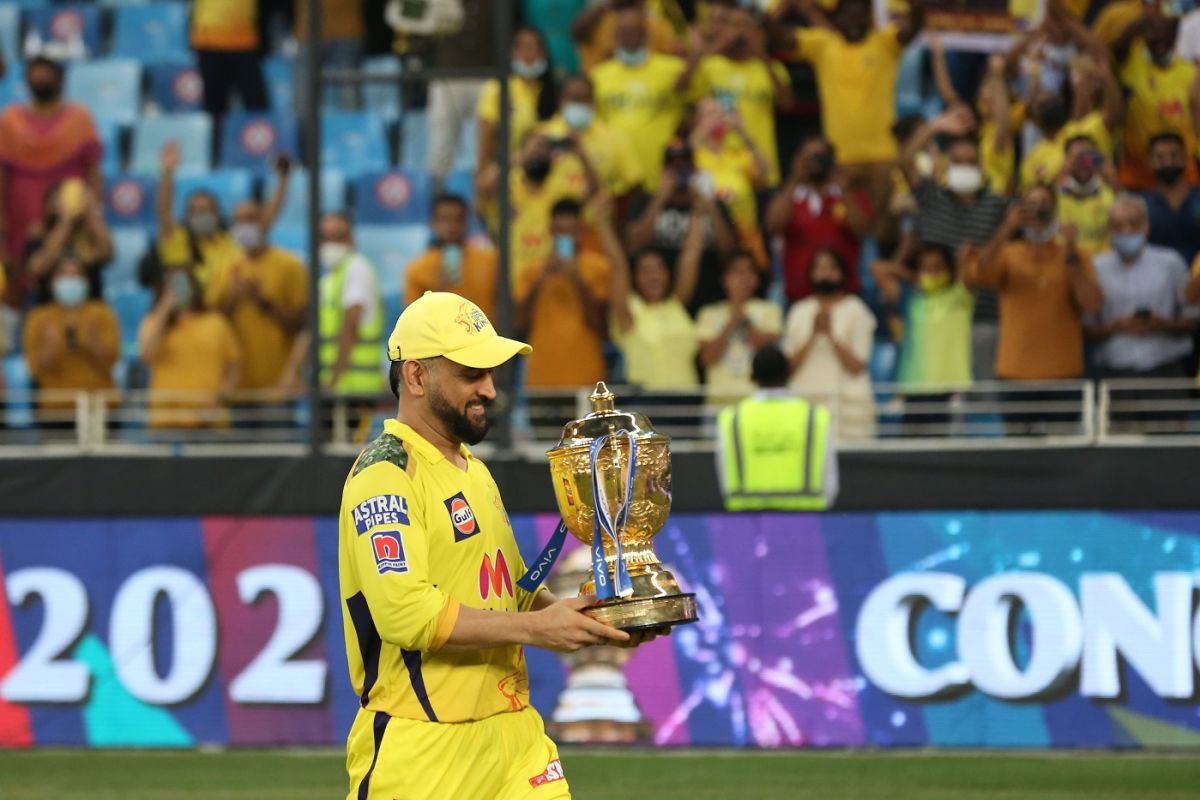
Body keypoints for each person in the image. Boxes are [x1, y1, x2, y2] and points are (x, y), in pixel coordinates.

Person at [339, 290, 659, 798]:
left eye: (491, 373)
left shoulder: (474, 470)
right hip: (424, 750)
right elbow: (407, 615)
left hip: (514, 735)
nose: (489, 389)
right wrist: (537, 628)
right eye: (471, 374)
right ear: (417, 376)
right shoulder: (386, 474)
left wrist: (594, 623)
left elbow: (515, 590)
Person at [897, 107, 1008, 381]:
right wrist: (934, 127)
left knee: (982, 398)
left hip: (986, 317)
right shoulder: (932, 197)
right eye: (958, 162)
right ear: (946, 165)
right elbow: (904, 161)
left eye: (971, 162)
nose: (965, 167)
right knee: (939, 396)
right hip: (936, 319)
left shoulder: (997, 205)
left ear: (982, 166)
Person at [787, 0, 925, 216]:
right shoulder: (823, 44)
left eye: (859, 14)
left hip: (884, 158)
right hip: (840, 160)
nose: (854, 20)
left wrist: (916, 7)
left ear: (868, 17)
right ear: (837, 18)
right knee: (843, 226)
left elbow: (912, 29)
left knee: (884, 229)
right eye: (847, 14)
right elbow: (781, 38)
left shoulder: (884, 41)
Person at [964, 185, 1104, 383]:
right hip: (1014, 370)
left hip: (1064, 371)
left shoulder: (1075, 254)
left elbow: (1092, 305)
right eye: (1030, 207)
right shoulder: (1008, 253)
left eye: (1044, 206)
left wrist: (1071, 251)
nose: (1037, 213)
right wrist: (1007, 228)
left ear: (1055, 212)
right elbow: (979, 273)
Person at [0, 56, 102, 308]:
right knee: (18, 269)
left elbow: (93, 169)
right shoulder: (11, 119)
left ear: (59, 80)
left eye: (46, 76)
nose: (41, 81)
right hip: (20, 211)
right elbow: (2, 172)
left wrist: (94, 207)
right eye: (35, 76)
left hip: (69, 208)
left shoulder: (79, 117)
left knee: (73, 266)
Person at [680, 2, 794, 186]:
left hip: (759, 164)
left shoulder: (771, 69)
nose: (739, 32)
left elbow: (787, 104)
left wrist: (762, 55)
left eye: (745, 25)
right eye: (733, 25)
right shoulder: (710, 66)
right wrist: (712, 48)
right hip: (719, 167)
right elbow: (680, 89)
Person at [716, 344, 839, 511]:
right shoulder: (814, 417)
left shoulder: (732, 419)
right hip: (806, 519)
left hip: (747, 521)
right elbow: (830, 482)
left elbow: (725, 476)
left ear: (752, 377)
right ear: (788, 374)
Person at [1089, 194, 1198, 379]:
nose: (1126, 230)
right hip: (1115, 371)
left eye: (1134, 223)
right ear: (1109, 230)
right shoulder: (1095, 268)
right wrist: (1116, 326)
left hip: (1166, 368)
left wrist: (1163, 324)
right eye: (1118, 225)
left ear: (1146, 226)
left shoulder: (1171, 263)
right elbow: (1085, 328)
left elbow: (1193, 319)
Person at [625, 139, 738, 313]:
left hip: (709, 299)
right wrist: (660, 198)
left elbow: (729, 252)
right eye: (673, 166)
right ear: (664, 170)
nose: (680, 171)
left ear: (695, 168)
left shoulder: (714, 204)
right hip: (661, 301)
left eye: (685, 164)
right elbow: (635, 244)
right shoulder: (646, 202)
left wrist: (709, 206)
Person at [209, 200, 308, 395]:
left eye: (250, 220)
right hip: (235, 385)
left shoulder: (290, 265)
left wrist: (263, 301)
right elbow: (214, 320)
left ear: (264, 222)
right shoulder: (225, 265)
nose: (244, 227)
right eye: (238, 221)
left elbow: (302, 321)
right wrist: (234, 298)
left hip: (277, 384)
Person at [872, 243, 973, 430]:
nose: (932, 273)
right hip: (914, 386)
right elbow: (877, 268)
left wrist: (960, 263)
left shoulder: (959, 297)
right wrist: (913, 277)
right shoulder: (909, 300)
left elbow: (967, 272)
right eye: (925, 268)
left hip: (949, 387)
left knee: (947, 452)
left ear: (949, 270)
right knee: (912, 449)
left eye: (937, 267)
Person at [590, 1, 689, 190]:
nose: (630, 38)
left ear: (645, 34)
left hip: (661, 176)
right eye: (624, 32)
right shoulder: (599, 76)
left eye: (635, 32)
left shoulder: (672, 69)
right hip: (616, 179)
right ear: (616, 35)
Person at [606, 195, 702, 389]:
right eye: (646, 270)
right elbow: (618, 266)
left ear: (668, 275)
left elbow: (691, 257)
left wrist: (698, 211)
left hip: (688, 400)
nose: (654, 276)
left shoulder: (675, 304)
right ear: (635, 277)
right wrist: (602, 224)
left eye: (659, 269)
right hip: (647, 401)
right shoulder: (629, 310)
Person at [781, 249, 877, 440]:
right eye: (819, 267)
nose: (825, 273)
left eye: (831, 267)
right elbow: (787, 367)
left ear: (842, 273)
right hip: (805, 404)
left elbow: (857, 366)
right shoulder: (799, 311)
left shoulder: (857, 310)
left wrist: (831, 336)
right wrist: (813, 335)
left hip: (848, 411)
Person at [765, 135, 872, 304]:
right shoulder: (790, 196)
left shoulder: (850, 194)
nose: (813, 163)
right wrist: (794, 178)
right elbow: (773, 226)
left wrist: (844, 189)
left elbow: (861, 230)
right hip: (799, 296)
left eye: (820, 156)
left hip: (844, 296)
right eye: (808, 157)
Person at [515, 199, 609, 389]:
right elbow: (519, 325)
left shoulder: (599, 267)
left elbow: (601, 326)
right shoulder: (532, 272)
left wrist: (578, 280)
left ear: (581, 230)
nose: (565, 238)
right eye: (560, 232)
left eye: (571, 232)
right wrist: (540, 280)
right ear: (550, 230)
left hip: (586, 377)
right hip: (541, 379)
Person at [138, 267, 242, 430]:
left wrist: (219, 403)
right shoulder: (153, 321)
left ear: (195, 287)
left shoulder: (216, 322)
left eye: (183, 284)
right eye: (171, 286)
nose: (178, 290)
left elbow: (233, 369)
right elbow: (147, 357)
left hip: (210, 421)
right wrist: (164, 310)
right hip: (166, 421)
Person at [22, 253, 118, 428]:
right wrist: (51, 347)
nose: (71, 280)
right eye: (65, 275)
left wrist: (93, 343)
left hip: (99, 407)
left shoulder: (101, 313)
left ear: (86, 281)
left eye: (76, 275)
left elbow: (113, 361)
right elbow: (34, 370)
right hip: (55, 410)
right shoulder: (39, 318)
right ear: (52, 283)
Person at [533, 74, 644, 219]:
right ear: (561, 100)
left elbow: (635, 183)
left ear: (594, 101)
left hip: (595, 228)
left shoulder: (613, 137)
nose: (579, 104)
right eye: (574, 98)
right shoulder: (541, 135)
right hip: (547, 226)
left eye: (584, 98)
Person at [1114, 11, 1200, 190]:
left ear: (1175, 34)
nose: (1160, 37)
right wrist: (1142, 21)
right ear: (1143, 35)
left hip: (1185, 175)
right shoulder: (1131, 63)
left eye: (1165, 31)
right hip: (1136, 175)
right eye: (1153, 32)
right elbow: (1115, 50)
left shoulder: (1191, 71)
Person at [475, 26, 558, 198]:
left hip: (550, 175)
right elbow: (486, 142)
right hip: (508, 172)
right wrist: (479, 189)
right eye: (523, 48)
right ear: (512, 52)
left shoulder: (555, 91)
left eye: (534, 48)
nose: (529, 55)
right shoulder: (498, 89)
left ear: (544, 54)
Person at [427, 1, 499, 191]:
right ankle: (436, 195)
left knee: (486, 142)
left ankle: (484, 195)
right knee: (441, 143)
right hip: (447, 75)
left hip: (487, 76)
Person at [154, 142, 241, 297]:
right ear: (187, 217)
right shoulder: (177, 239)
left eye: (205, 210)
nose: (200, 215)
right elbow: (164, 210)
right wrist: (168, 171)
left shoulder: (231, 242)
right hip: (187, 311)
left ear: (217, 214)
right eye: (194, 211)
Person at [689, 98, 770, 265]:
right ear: (697, 120)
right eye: (710, 114)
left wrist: (742, 132)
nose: (717, 118)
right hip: (707, 242)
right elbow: (686, 157)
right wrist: (702, 132)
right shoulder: (695, 155)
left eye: (721, 113)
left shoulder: (738, 154)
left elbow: (765, 171)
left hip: (745, 239)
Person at [697, 251, 782, 404]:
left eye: (750, 271)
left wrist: (743, 321)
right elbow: (706, 358)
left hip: (758, 401)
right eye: (737, 271)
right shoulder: (708, 313)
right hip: (718, 402)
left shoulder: (770, 310)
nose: (743, 278)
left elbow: (768, 351)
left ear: (756, 280)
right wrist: (730, 323)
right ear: (725, 278)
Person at [317, 211, 384, 404]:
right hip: (337, 389)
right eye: (326, 237)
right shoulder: (328, 279)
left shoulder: (357, 268)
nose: (331, 244)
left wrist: (333, 380)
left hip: (355, 390)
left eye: (338, 237)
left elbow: (350, 327)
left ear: (352, 240)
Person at [405, 194, 498, 322]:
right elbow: (412, 321)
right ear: (433, 223)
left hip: (485, 338)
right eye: (444, 219)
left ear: (466, 223)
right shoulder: (418, 269)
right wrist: (437, 293)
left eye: (458, 219)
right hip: (441, 340)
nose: (452, 227)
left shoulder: (489, 261)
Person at [24, 178, 113, 305]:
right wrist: (66, 221)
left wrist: (91, 213)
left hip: (91, 313)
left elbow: (107, 252)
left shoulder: (91, 236)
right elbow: (38, 268)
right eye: (56, 199)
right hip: (49, 312)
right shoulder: (38, 236)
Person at [191, 0, 268, 121]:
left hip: (243, 41)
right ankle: (215, 139)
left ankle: (258, 138)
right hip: (209, 40)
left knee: (256, 105)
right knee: (214, 109)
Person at [293, 0, 365, 116]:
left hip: (346, 31)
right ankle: (302, 131)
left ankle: (354, 131)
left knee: (350, 94)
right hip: (309, 32)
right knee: (304, 97)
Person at [573, 0, 683, 72]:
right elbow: (577, 33)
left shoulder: (655, 25)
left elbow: (671, 59)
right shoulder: (598, 21)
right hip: (604, 88)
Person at [1143, 132, 1200, 266]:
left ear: (1186, 158)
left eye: (1174, 156)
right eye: (1160, 157)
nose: (1168, 162)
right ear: (1150, 162)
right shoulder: (1142, 205)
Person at [1056, 134, 1115, 256]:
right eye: (1077, 157)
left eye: (1088, 157)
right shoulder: (1054, 197)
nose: (1083, 162)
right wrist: (1062, 171)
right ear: (1066, 160)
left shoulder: (1110, 195)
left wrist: (1108, 171)